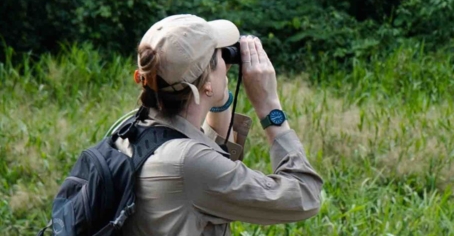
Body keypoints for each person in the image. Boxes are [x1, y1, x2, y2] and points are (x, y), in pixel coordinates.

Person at [114, 14, 323, 235]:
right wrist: (270, 107)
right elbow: (305, 196)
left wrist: (217, 96)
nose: (226, 60)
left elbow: (216, 160)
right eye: (220, 56)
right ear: (205, 84)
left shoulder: (132, 130)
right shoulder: (189, 163)